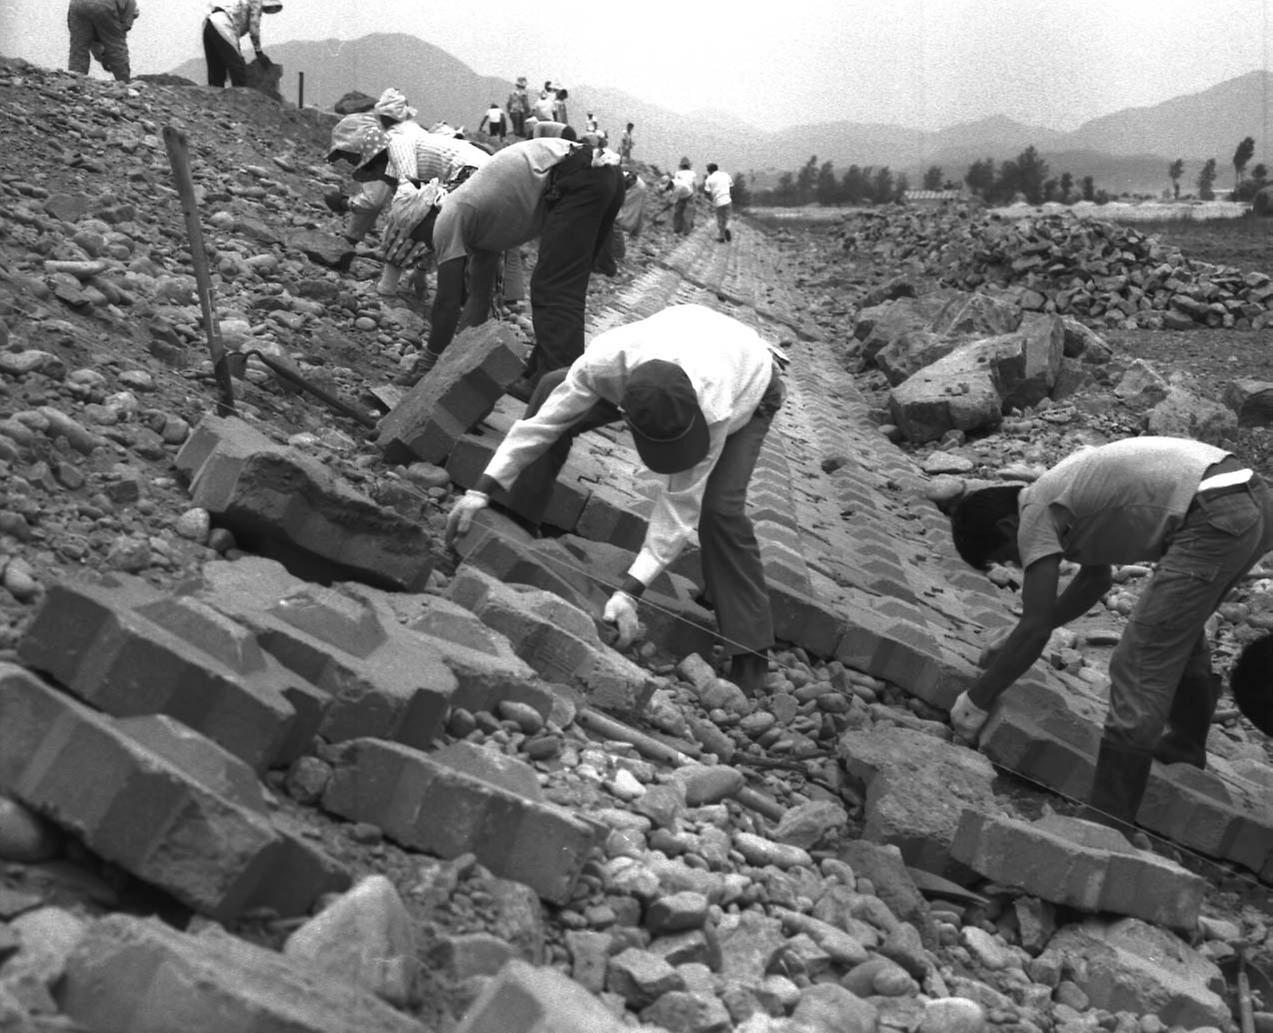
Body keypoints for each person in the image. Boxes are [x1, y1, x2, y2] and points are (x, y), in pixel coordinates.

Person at [445, 304, 786, 695]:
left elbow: (678, 508)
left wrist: (629, 593)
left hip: (752, 382)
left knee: (720, 511)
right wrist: (479, 491)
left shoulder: (715, 407)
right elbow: (543, 426)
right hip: (673, 357)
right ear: (624, 411)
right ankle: (514, 525)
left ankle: (750, 653)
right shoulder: (603, 365)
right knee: (549, 388)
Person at [946, 436, 1273, 833]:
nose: (1018, 565)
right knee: (1177, 629)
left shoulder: (1033, 514)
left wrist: (976, 701)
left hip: (1212, 510)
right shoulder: (1067, 496)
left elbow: (1034, 628)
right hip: (1248, 498)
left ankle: (1107, 819)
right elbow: (1094, 582)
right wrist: (1013, 640)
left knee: (1140, 659)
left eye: (1007, 557)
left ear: (1007, 526)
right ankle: (1185, 747)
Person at [391, 137, 624, 392]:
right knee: (564, 286)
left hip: (581, 177)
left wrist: (428, 363)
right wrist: (455, 366)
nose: (427, 243)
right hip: (602, 175)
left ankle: (556, 390)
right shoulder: (480, 225)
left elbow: (446, 303)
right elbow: (479, 298)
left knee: (554, 288)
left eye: (419, 235)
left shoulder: (450, 216)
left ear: (426, 217)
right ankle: (540, 376)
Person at [327, 109, 490, 297]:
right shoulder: (402, 147)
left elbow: (409, 206)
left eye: (349, 157)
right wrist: (420, 271)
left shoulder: (398, 146)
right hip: (486, 180)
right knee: (441, 228)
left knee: (405, 217)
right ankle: (462, 298)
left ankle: (386, 289)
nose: (350, 162)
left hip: (472, 177)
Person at [203, 0, 281, 89]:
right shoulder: (256, 3)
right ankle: (241, 97)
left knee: (216, 69)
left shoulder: (243, 4)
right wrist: (259, 52)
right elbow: (254, 28)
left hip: (209, 24)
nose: (271, 10)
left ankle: (215, 97)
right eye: (272, 8)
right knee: (238, 68)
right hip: (223, 24)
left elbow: (233, 37)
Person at [67, 0, 138, 82]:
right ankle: (125, 83)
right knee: (116, 47)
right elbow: (121, 34)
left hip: (76, 4)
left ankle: (75, 81)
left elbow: (74, 30)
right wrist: (110, 59)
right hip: (104, 5)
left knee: (78, 48)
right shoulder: (131, 6)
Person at [703, 163, 734, 243]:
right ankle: (727, 228)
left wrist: (711, 197)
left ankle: (721, 237)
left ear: (709, 170)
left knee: (720, 219)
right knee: (728, 217)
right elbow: (731, 186)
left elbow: (706, 191)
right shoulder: (725, 175)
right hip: (727, 199)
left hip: (717, 201)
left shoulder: (709, 179)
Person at [669, 157, 697, 235]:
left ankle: (677, 230)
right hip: (690, 195)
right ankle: (686, 232)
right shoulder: (692, 173)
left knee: (678, 212)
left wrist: (673, 197)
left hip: (680, 195)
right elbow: (694, 186)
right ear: (689, 165)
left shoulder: (677, 173)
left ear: (681, 166)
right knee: (688, 213)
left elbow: (675, 185)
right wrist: (696, 195)